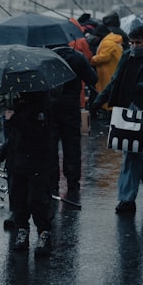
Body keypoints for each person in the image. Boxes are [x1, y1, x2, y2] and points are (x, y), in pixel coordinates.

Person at [92, 25, 143, 214]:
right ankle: (127, 199)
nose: (134, 46)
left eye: (138, 43)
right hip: (127, 114)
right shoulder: (127, 56)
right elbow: (115, 81)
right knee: (132, 156)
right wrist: (99, 100)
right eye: (132, 42)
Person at [0, 92, 55, 256]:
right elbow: (14, 137)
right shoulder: (18, 106)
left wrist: (14, 119)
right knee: (18, 198)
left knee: (37, 200)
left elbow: (37, 135)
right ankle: (22, 231)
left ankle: (44, 233)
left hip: (36, 162)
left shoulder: (42, 109)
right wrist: (1, 153)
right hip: (17, 162)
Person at [47, 43, 98, 200]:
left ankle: (52, 182)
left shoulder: (47, 57)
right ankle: (72, 183)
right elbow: (92, 78)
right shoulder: (77, 57)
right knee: (72, 145)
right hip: (71, 106)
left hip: (50, 106)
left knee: (50, 145)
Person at [90, 29, 124, 111]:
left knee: (106, 92)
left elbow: (103, 57)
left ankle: (107, 110)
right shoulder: (113, 41)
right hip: (112, 69)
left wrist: (92, 59)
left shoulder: (107, 43)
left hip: (107, 72)